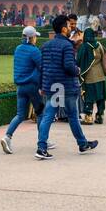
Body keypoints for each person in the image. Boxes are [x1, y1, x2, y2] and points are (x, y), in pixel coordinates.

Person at [36, 14, 98, 159]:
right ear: (63, 29)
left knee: (49, 116)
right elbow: (69, 66)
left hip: (52, 86)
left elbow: (42, 68)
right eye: (69, 26)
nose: (71, 28)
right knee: (72, 116)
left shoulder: (45, 45)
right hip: (66, 87)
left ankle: (42, 146)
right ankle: (81, 144)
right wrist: (77, 70)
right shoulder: (67, 45)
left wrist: (41, 85)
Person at [1, 26, 44, 154]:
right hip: (32, 86)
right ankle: (42, 140)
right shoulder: (34, 51)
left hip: (20, 87)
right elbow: (42, 67)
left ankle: (7, 137)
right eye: (35, 37)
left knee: (20, 115)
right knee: (41, 113)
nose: (36, 39)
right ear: (31, 38)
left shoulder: (18, 49)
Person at [77, 23, 106, 125]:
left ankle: (88, 117)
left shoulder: (84, 46)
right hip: (100, 75)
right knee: (100, 96)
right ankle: (100, 116)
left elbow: (79, 60)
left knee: (89, 96)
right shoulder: (99, 45)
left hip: (89, 76)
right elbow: (105, 56)